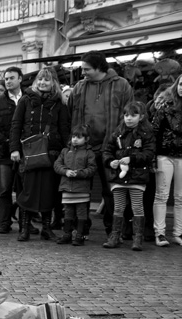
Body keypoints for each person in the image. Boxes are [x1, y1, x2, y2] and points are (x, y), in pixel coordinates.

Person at [67, 50, 134, 237]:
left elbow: (130, 114)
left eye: (87, 69)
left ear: (99, 67)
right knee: (81, 190)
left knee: (111, 190)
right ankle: (81, 228)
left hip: (111, 147)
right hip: (83, 146)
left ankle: (113, 230)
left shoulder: (122, 85)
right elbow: (70, 113)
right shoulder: (79, 87)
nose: (83, 73)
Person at [10, 67, 70, 242]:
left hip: (51, 153)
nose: (43, 82)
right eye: (40, 79)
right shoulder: (25, 100)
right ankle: (24, 228)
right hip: (29, 153)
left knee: (48, 191)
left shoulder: (59, 103)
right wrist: (14, 149)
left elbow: (64, 128)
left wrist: (66, 151)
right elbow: (16, 125)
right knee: (28, 191)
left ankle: (46, 227)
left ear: (53, 83)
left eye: (47, 80)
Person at [102, 101, 155, 251]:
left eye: (133, 115)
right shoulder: (118, 132)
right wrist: (110, 161)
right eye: (126, 115)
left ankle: (137, 237)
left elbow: (149, 154)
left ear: (142, 116)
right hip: (119, 176)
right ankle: (115, 236)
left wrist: (132, 159)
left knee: (137, 207)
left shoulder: (146, 134)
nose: (129, 118)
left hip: (137, 176)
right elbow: (107, 150)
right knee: (118, 207)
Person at [0, 67, 25, 234]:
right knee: (4, 190)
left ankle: (26, 224)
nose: (8, 81)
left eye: (11, 78)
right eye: (6, 78)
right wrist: (1, 139)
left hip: (26, 152)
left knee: (25, 190)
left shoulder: (28, 98)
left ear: (20, 79)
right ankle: (4, 222)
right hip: (4, 153)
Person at [151, 73, 182, 247]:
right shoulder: (166, 106)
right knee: (162, 195)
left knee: (180, 197)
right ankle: (160, 233)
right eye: (181, 84)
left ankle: (178, 232)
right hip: (165, 154)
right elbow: (155, 132)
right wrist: (153, 159)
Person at [54, 125, 97, 246]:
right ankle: (67, 234)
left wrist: (79, 173)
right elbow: (57, 165)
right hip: (67, 187)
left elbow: (92, 168)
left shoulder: (89, 153)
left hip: (81, 188)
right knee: (68, 211)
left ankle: (79, 235)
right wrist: (66, 171)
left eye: (79, 137)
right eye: (73, 137)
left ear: (86, 139)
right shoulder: (65, 151)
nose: (75, 140)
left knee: (81, 212)